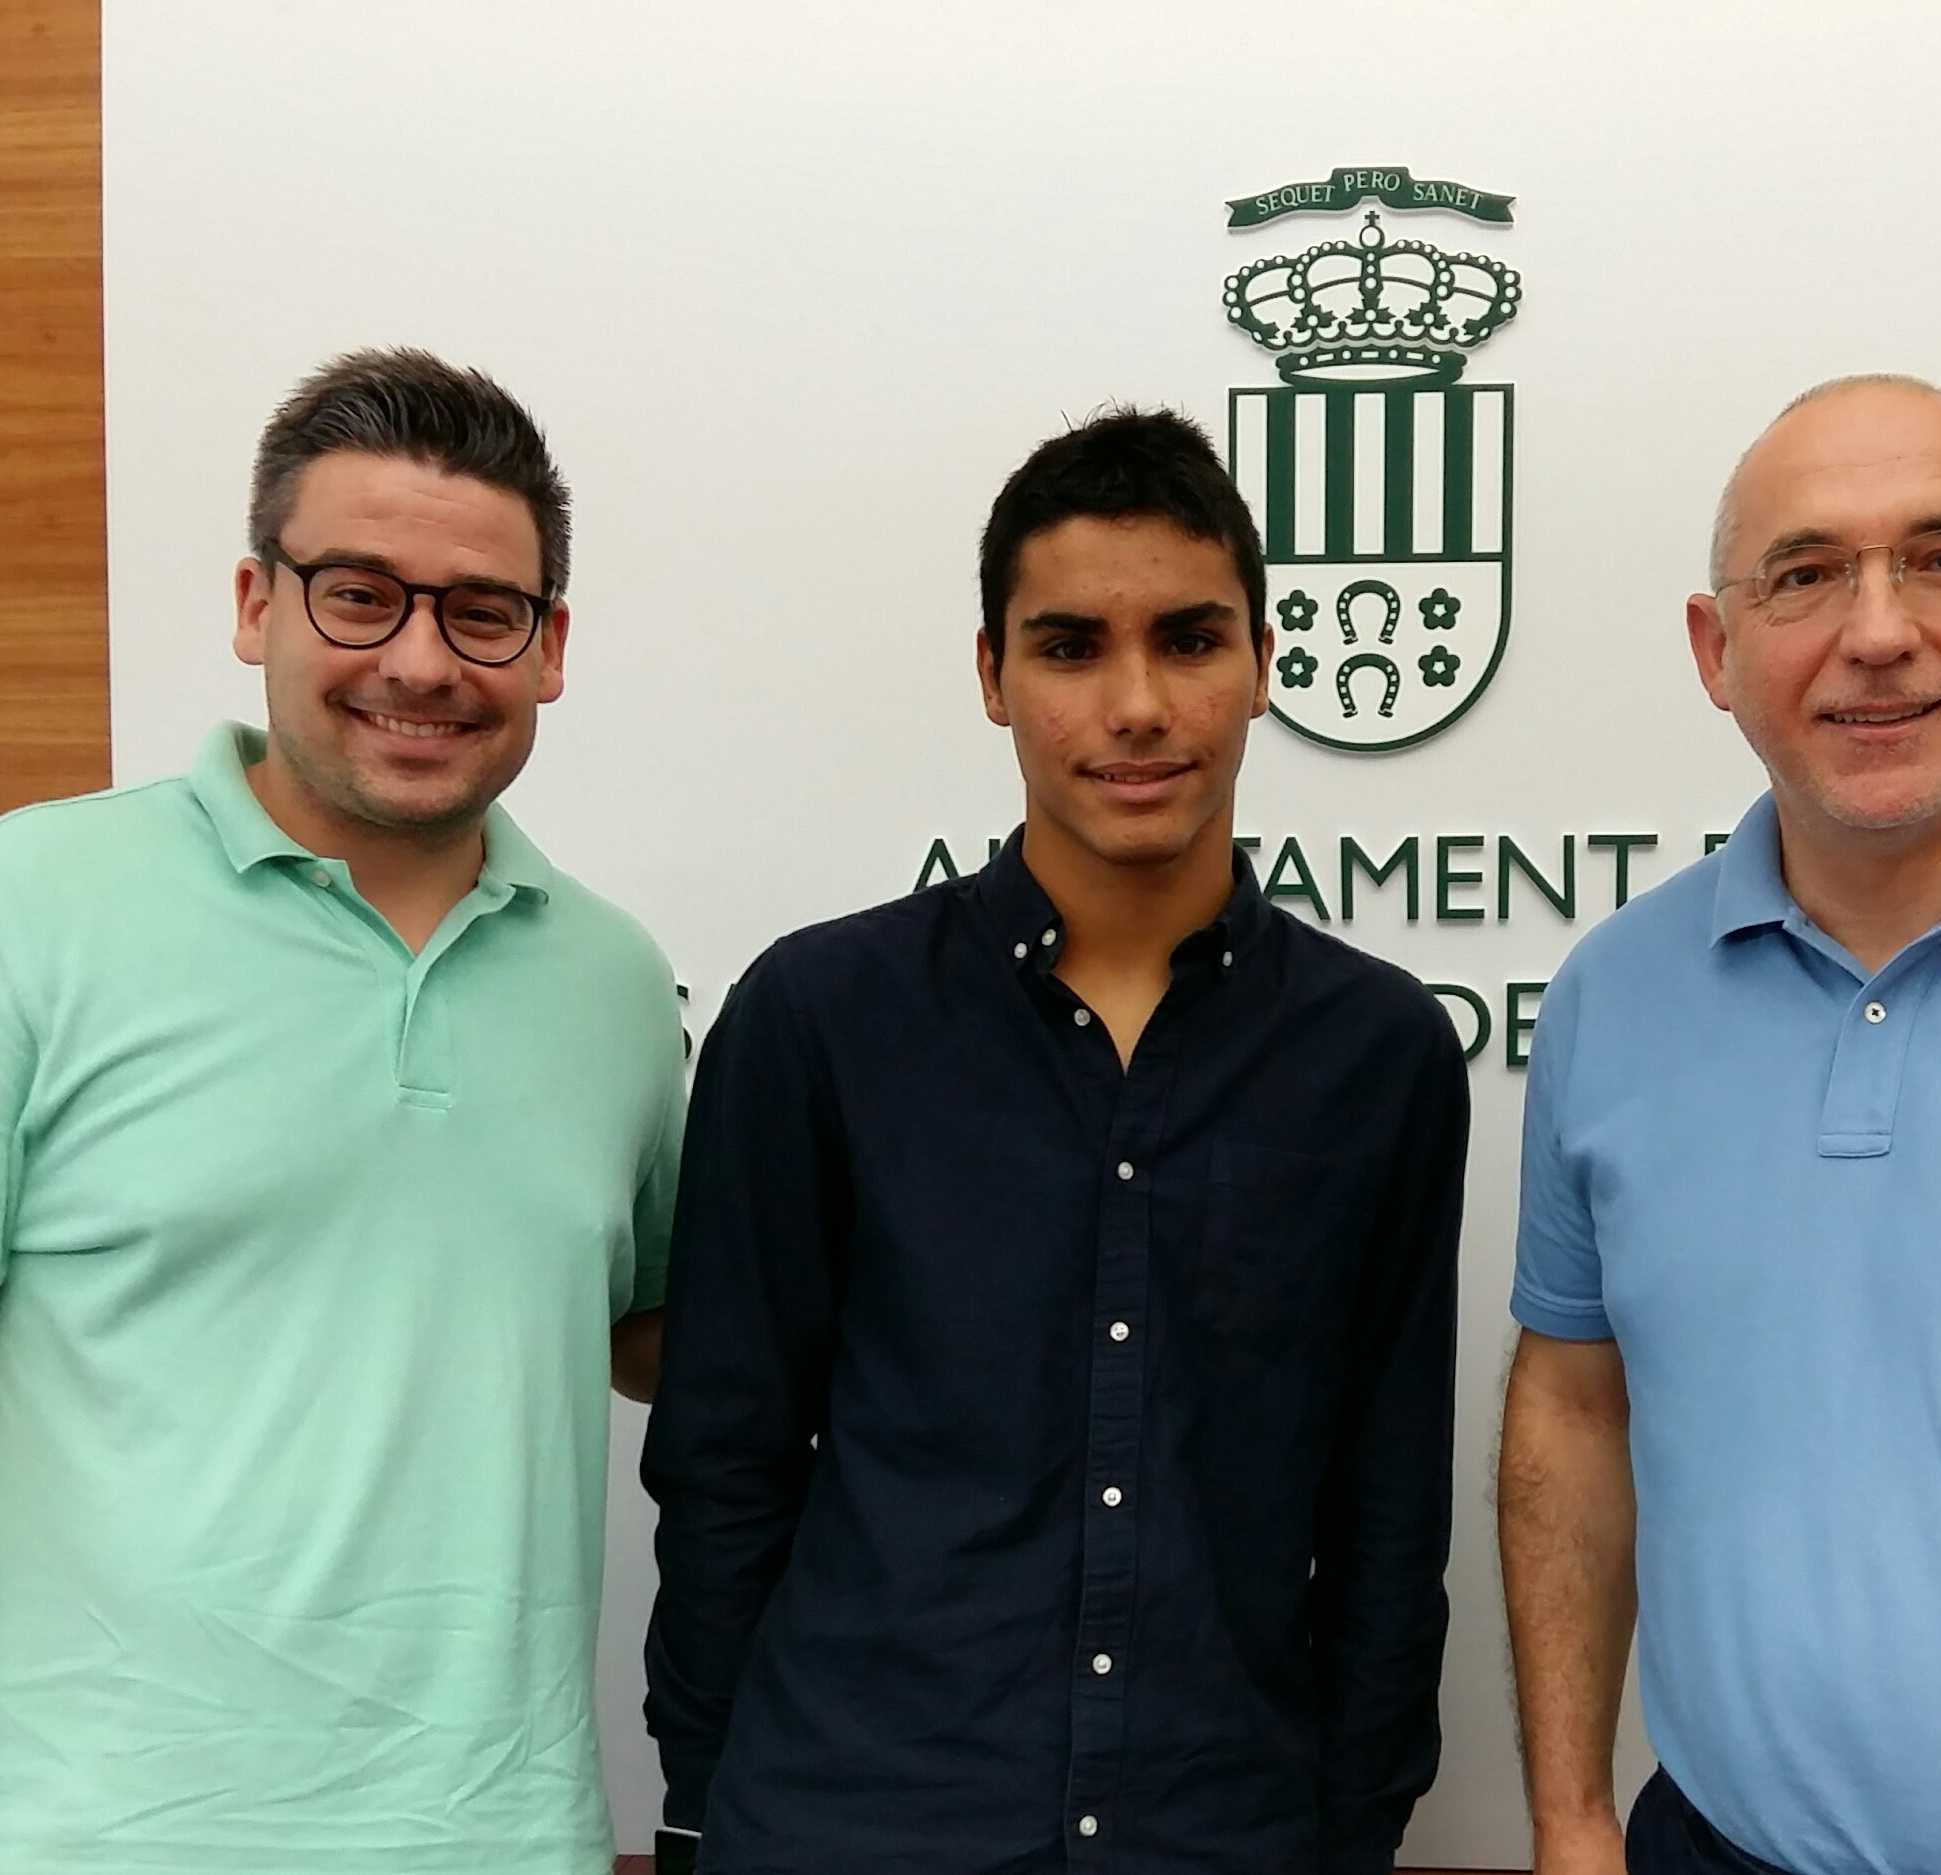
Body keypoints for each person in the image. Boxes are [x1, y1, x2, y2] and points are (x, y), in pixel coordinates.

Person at [642, 407, 1470, 1875]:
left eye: (1190, 641)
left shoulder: (1377, 1053)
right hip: (851, 1826)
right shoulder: (820, 1019)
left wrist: (1354, 1828)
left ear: (1266, 663)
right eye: (1072, 646)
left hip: (1222, 1837)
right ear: (993, 674)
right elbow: (726, 1461)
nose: (1136, 706)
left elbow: (1387, 1508)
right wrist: (703, 1808)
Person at [1499, 374, 1941, 1875]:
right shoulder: (1612, 997)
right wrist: (1569, 1820)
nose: (1878, 630)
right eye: (1806, 573)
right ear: (1715, 649)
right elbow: (1572, 1409)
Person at [0, 347, 683, 1875]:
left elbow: (660, 1332)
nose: (421, 663)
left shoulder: (616, 985)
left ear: (550, 647)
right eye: (358, 595)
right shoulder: (30, 908)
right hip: (93, 1839)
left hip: (503, 1838)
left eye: (481, 611)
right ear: (258, 605)